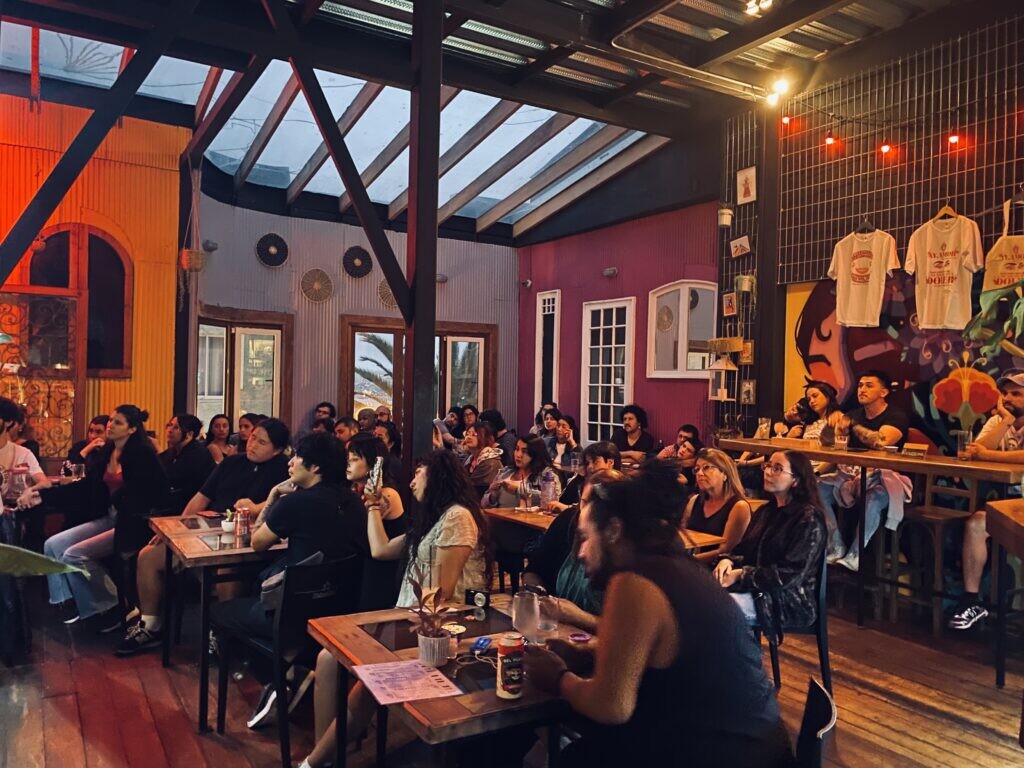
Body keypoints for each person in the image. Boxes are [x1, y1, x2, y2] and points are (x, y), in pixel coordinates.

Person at [523, 461, 790, 767]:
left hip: (726, 755)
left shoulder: (635, 582)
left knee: (575, 757)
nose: (580, 552)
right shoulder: (676, 566)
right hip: (756, 747)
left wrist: (558, 678)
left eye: (586, 537)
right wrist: (586, 656)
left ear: (613, 531)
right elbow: (666, 659)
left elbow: (611, 706)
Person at [298, 450, 491, 768]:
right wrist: (373, 506)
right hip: (410, 618)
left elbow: (440, 595)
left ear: (438, 476)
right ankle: (327, 756)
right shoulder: (435, 519)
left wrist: (391, 627)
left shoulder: (458, 517)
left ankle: (314, 762)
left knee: (365, 678)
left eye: (419, 473)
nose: (412, 481)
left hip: (439, 629)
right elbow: (380, 549)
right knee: (328, 659)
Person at [208, 432, 366, 728]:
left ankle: (279, 679)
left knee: (218, 612)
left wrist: (272, 497)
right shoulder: (354, 501)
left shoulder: (296, 502)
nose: (290, 463)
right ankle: (292, 671)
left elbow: (257, 542)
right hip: (339, 609)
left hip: (293, 615)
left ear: (315, 467)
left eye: (297, 458)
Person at [115, 419, 291, 654]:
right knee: (148, 556)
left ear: (277, 449)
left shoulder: (284, 471)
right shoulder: (232, 463)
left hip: (248, 545)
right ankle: (151, 625)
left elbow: (280, 504)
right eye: (252, 438)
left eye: (262, 442)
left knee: (226, 568)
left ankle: (221, 634)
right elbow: (200, 498)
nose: (252, 445)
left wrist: (255, 508)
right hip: (207, 535)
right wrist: (174, 531)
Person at [24, 405, 167, 629]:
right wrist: (43, 496)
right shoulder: (107, 452)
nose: (110, 425)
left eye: (118, 422)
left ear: (131, 429)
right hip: (110, 517)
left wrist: (124, 502)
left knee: (74, 555)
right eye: (110, 420)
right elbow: (87, 487)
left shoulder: (142, 454)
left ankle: (116, 607)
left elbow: (155, 491)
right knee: (52, 544)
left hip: (133, 523)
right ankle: (68, 603)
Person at [714, 450, 827, 639]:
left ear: (795, 480)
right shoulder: (766, 511)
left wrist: (742, 574)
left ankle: (744, 657)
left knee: (714, 610)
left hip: (787, 601)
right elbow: (743, 549)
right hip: (755, 591)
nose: (767, 472)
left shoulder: (808, 518)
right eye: (767, 466)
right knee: (698, 599)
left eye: (777, 468)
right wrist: (728, 561)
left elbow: (790, 574)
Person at [948, 371, 1024, 629]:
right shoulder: (999, 420)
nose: (1007, 398)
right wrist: (1006, 421)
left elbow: (987, 453)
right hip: (1008, 502)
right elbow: (975, 452)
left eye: (1016, 393)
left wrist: (988, 455)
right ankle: (971, 601)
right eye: (1005, 393)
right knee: (976, 524)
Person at [818, 370, 910, 570]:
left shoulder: (896, 416)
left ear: (883, 392)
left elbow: (882, 441)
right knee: (818, 488)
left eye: (869, 385)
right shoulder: (853, 414)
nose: (862, 389)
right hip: (852, 477)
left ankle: (855, 554)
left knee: (873, 497)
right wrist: (833, 426)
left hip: (885, 479)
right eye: (860, 385)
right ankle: (835, 545)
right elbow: (829, 443)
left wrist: (853, 425)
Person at [524, 468, 626, 631]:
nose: (587, 513)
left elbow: (624, 632)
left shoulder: (627, 555)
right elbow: (534, 570)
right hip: (558, 631)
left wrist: (577, 616)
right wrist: (540, 597)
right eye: (584, 502)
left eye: (596, 506)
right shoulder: (568, 521)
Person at [346, 438, 405, 611]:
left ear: (373, 464)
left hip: (381, 573)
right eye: (348, 458)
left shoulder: (387, 494)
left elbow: (356, 529)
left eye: (355, 459)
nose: (348, 463)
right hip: (362, 568)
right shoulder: (355, 492)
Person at [682, 448, 752, 564]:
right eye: (697, 469)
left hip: (717, 567)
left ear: (725, 474)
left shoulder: (739, 506)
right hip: (692, 562)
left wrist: (688, 561)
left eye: (706, 468)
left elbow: (725, 550)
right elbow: (682, 536)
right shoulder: (694, 500)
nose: (699, 473)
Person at [481, 435, 561, 508]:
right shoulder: (505, 471)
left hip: (527, 518)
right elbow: (483, 505)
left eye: (524, 451)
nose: (518, 455)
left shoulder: (547, 475)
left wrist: (519, 490)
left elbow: (552, 502)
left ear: (535, 454)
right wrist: (492, 496)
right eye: (517, 449)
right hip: (499, 517)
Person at [160, 414, 215, 515]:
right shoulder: (172, 452)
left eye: (176, 427)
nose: (170, 430)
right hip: (174, 504)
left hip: (193, 508)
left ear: (189, 434)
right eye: (170, 425)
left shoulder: (198, 454)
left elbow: (178, 481)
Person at [551, 440, 621, 510]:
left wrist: (566, 508)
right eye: (588, 463)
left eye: (595, 462)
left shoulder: (619, 487)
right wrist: (579, 478)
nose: (590, 467)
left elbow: (594, 511)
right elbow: (563, 500)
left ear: (610, 462)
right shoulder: (585, 480)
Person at [0, 397, 50, 491]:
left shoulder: (23, 453)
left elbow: (45, 483)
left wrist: (29, 492)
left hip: (14, 500)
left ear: (9, 422)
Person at [462, 421, 503, 499]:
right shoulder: (470, 458)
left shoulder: (490, 461)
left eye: (474, 434)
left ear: (485, 438)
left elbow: (474, 488)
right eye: (467, 433)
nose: (469, 437)